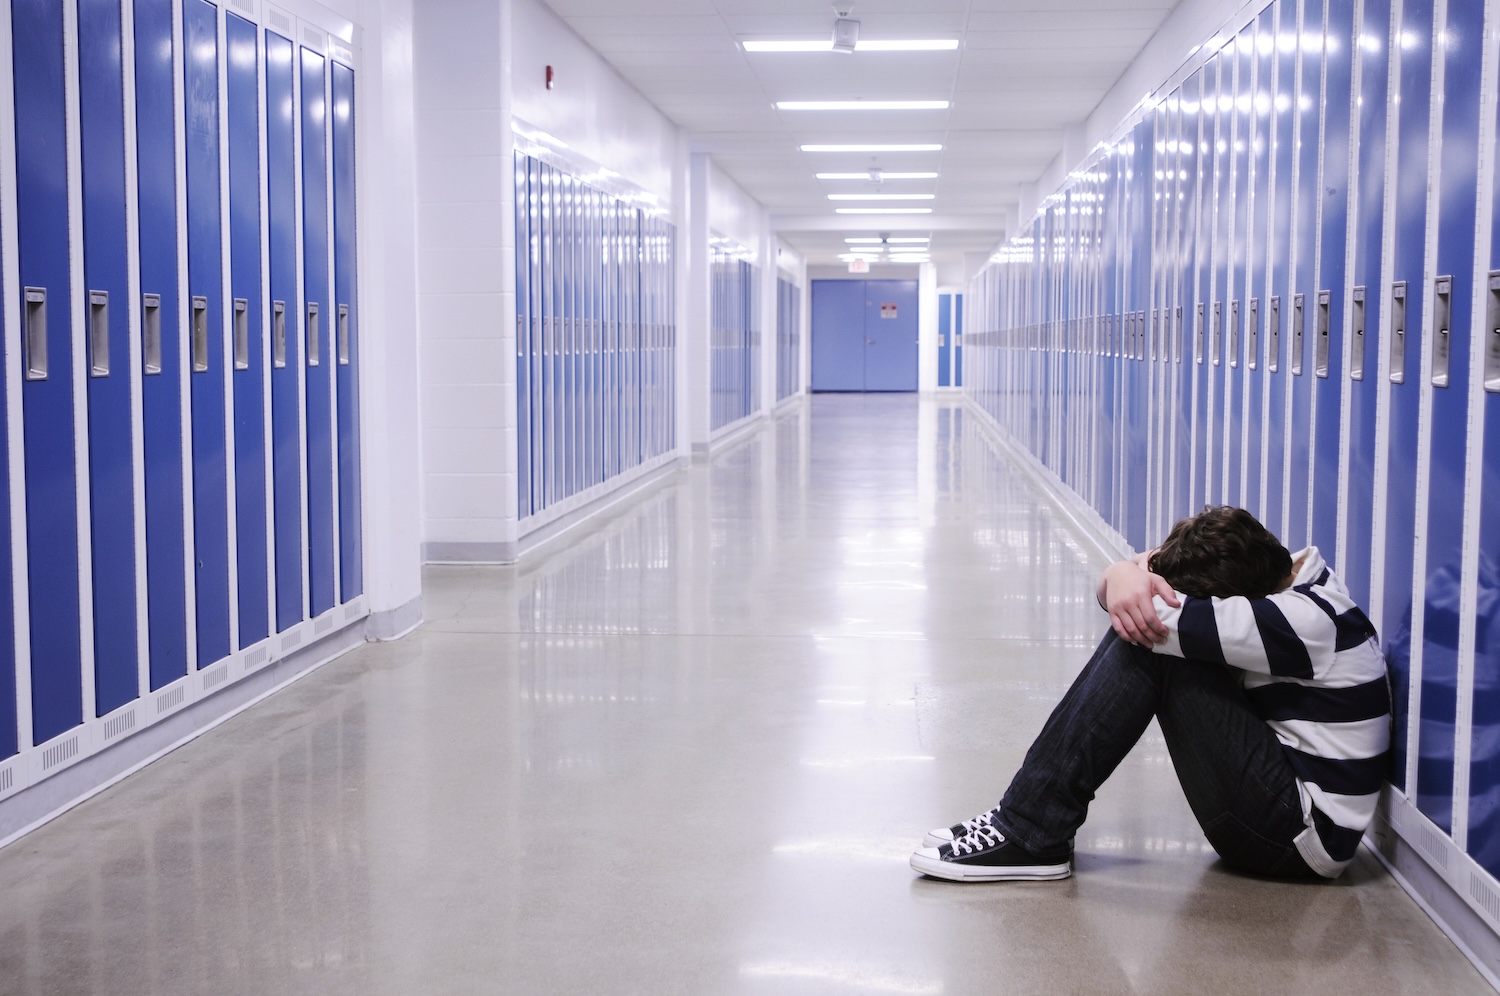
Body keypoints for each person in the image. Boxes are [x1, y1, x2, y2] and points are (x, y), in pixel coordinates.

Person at [910, 506, 1391, 883]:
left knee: (1150, 638)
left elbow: (1142, 610)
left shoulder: (1299, 621)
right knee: (1146, 626)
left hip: (1299, 839)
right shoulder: (1288, 580)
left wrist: (1121, 576)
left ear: (1235, 603)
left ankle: (1031, 831)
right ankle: (1028, 821)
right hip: (1286, 799)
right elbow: (1131, 583)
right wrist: (1123, 571)